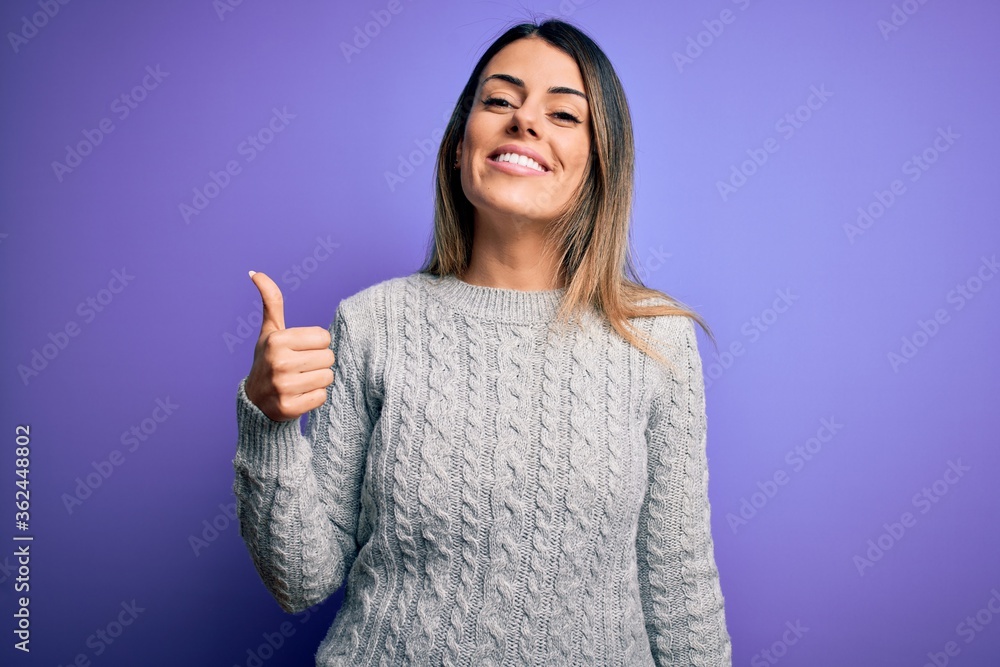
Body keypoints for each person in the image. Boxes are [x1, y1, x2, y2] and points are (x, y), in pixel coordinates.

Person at [234, 17, 732, 667]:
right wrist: (266, 422)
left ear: (600, 163)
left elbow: (680, 585)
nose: (524, 121)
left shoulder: (655, 339)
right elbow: (301, 579)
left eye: (564, 114)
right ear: (457, 146)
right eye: (499, 100)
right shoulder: (370, 323)